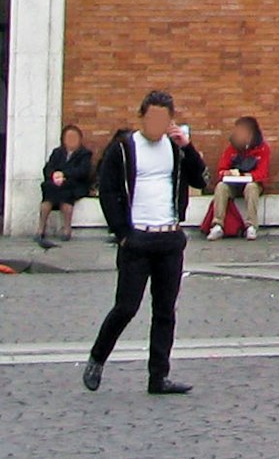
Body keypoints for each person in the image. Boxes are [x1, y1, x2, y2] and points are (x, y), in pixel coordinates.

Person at [83, 91, 204, 394]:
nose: (157, 125)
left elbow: (201, 179)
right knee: (126, 307)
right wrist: (122, 234)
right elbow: (108, 191)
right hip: (137, 237)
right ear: (142, 118)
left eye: (164, 119)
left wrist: (188, 148)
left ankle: (158, 376)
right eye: (152, 118)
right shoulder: (124, 149)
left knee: (165, 310)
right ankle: (98, 357)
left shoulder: (176, 150)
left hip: (169, 236)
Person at [204, 115, 270, 239]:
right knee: (221, 187)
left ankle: (251, 226)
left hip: (252, 183)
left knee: (251, 188)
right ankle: (217, 225)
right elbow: (221, 169)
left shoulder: (262, 149)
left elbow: (262, 173)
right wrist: (226, 173)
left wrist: (248, 176)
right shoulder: (231, 148)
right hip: (233, 184)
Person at [37, 122, 94, 251]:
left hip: (74, 184)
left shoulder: (85, 154)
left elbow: (83, 171)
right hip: (57, 184)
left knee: (66, 195)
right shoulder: (57, 152)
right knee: (48, 192)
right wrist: (54, 175)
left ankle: (67, 229)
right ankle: (41, 229)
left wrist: (64, 175)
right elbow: (48, 168)